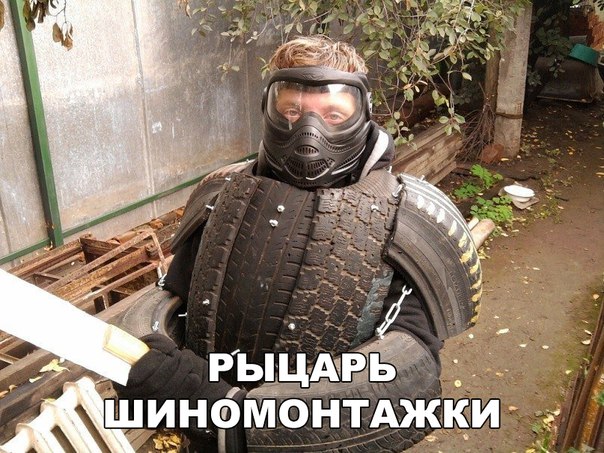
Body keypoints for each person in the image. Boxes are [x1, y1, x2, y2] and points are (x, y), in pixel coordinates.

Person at [115, 35, 480, 452]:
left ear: (362, 114)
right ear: (269, 108)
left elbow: (409, 370)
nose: (309, 130)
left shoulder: (407, 217)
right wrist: (153, 366)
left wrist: (240, 419)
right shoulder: (221, 195)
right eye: (292, 110)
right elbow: (173, 298)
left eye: (333, 113)